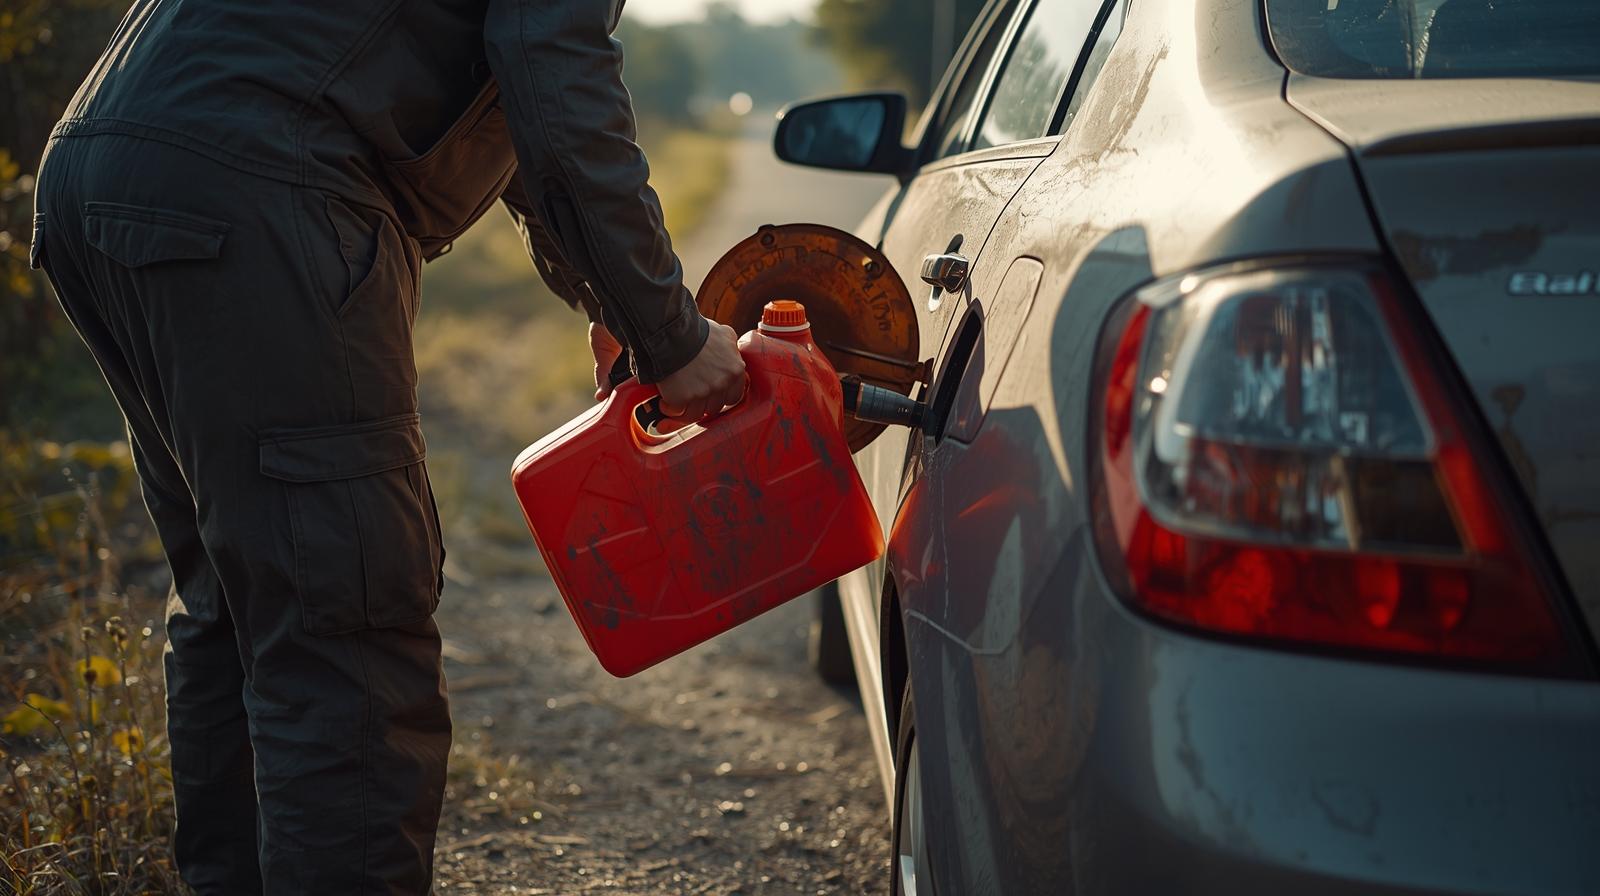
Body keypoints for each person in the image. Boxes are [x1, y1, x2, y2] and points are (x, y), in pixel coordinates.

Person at [28, 1, 746, 892]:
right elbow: (554, 78)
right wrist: (673, 338)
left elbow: (519, 104)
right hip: (255, 188)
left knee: (238, 603)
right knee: (342, 620)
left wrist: (622, 311)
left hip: (105, 163)